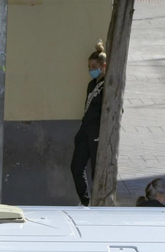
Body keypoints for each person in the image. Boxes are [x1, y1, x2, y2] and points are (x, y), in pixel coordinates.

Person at [70, 42, 108, 207]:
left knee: (96, 170)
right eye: (89, 67)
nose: (91, 70)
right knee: (76, 167)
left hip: (98, 132)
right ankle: (85, 200)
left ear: (103, 66)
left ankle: (98, 201)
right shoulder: (91, 85)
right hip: (86, 129)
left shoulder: (108, 85)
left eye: (94, 66)